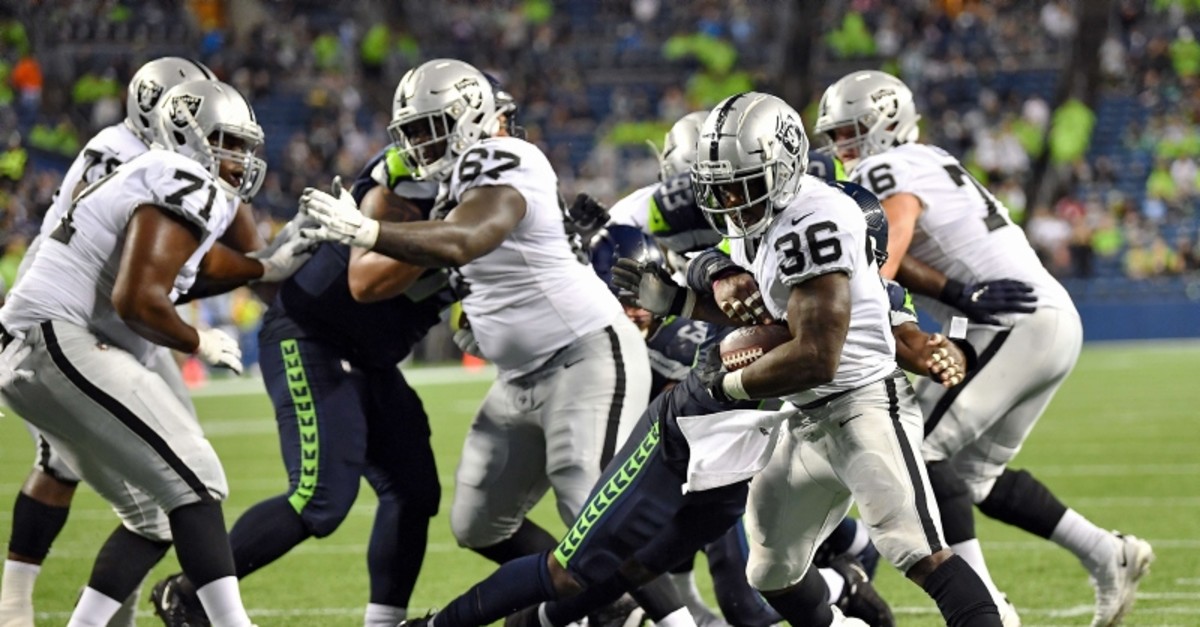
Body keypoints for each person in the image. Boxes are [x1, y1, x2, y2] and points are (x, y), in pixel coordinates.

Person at [148, 82, 530, 627]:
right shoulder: (410, 178)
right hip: (312, 334)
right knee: (320, 497)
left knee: (414, 490)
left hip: (370, 355)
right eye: (496, 122)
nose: (504, 136)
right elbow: (365, 280)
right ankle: (189, 591)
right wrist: (447, 240)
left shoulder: (498, 197)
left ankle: (383, 622)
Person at [299, 58, 662, 618]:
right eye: (411, 132)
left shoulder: (506, 156)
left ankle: (677, 616)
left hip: (585, 354)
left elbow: (466, 239)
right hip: (520, 378)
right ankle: (609, 606)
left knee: (592, 506)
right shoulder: (453, 183)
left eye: (430, 126)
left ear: (471, 118)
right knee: (479, 522)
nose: (420, 143)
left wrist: (370, 230)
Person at [814, 70, 1154, 627]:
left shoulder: (887, 167)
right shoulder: (930, 160)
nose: (843, 148)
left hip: (1006, 322)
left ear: (885, 125)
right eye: (837, 136)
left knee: (915, 451)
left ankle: (990, 610)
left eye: (852, 133)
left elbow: (887, 254)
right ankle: (1106, 552)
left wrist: (855, 298)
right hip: (1042, 318)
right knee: (973, 478)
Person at [0, 79, 310, 627]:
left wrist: (267, 265)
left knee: (153, 518)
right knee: (198, 474)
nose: (240, 158)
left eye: (244, 144)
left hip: (31, 348)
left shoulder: (157, 174)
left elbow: (193, 268)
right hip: (57, 336)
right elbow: (137, 298)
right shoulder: (187, 177)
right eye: (227, 142)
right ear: (190, 136)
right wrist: (198, 340)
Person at [0, 57, 220, 627]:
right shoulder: (151, 162)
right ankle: (17, 605)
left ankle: (84, 612)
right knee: (151, 470)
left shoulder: (119, 147)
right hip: (71, 321)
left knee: (169, 482)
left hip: (84, 319)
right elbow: (147, 276)